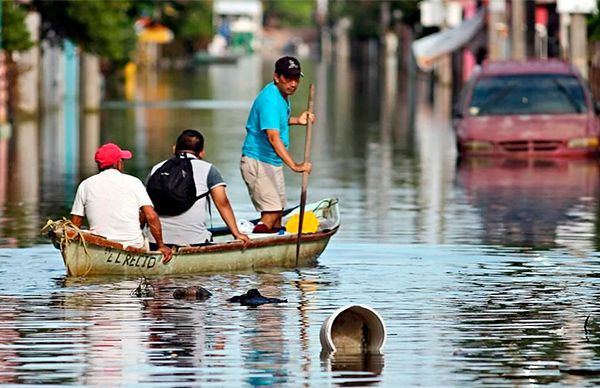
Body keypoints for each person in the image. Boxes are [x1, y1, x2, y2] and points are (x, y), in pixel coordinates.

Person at [240, 56, 315, 233]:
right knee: (271, 214)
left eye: (296, 79)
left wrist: (298, 120)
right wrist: (295, 166)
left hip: (271, 162)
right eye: (288, 78)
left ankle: (273, 252)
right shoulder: (270, 99)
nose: (293, 84)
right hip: (258, 161)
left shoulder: (280, 95)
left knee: (277, 215)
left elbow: (277, 122)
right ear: (276, 77)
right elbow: (273, 137)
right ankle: (253, 248)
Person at [70, 143, 173, 262]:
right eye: (122, 160)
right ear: (117, 163)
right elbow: (151, 215)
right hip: (133, 246)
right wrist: (161, 245)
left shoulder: (85, 185)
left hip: (99, 246)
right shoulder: (134, 182)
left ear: (99, 165)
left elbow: (75, 224)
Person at [147, 129, 250, 247]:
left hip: (156, 242)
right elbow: (223, 203)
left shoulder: (157, 169)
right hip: (195, 241)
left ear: (174, 149)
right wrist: (236, 233)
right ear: (201, 153)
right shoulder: (208, 170)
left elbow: (144, 206)